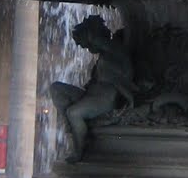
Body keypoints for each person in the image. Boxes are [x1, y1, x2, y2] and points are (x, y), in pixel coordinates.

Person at [50, 15, 135, 163]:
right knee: (56, 88)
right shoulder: (105, 55)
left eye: (87, 45)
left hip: (105, 99)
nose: (87, 49)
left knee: (73, 113)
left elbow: (101, 43)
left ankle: (79, 152)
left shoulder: (115, 49)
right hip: (90, 95)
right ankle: (74, 128)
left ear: (94, 36)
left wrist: (91, 35)